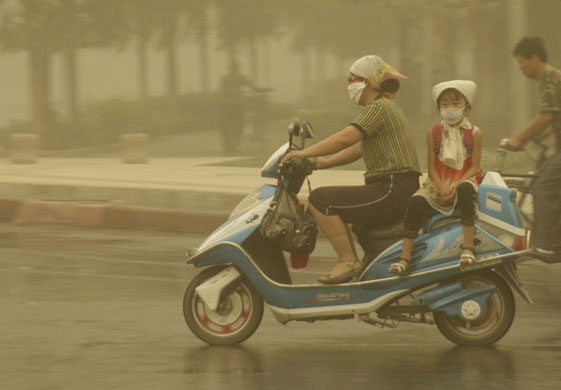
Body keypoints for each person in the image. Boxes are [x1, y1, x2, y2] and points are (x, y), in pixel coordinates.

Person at [281, 55, 421, 284]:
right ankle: (369, 266)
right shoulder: (385, 108)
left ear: (367, 81)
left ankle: (348, 262)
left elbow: (346, 138)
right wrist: (323, 162)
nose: (349, 84)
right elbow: (359, 148)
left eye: (352, 78)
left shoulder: (378, 107)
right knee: (345, 211)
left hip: (393, 188)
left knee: (320, 200)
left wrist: (304, 153)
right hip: (394, 187)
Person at [388, 80, 482, 275]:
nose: (450, 109)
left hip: (463, 178)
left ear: (467, 106)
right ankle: (404, 258)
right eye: (444, 104)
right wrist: (440, 186)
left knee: (465, 190)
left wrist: (456, 183)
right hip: (438, 180)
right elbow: (432, 166)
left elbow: (474, 167)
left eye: (456, 104)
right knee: (416, 201)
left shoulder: (474, 133)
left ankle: (467, 247)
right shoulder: (434, 132)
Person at [502, 37, 561, 261]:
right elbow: (554, 116)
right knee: (539, 180)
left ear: (534, 58)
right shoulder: (552, 78)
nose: (520, 68)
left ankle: (547, 245)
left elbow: (546, 116)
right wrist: (543, 134)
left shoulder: (550, 77)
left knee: (544, 185)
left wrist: (518, 140)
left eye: (521, 62)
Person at [220, 59, 267, 155]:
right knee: (238, 126)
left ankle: (229, 147)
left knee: (228, 126)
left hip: (227, 105)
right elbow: (252, 86)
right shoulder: (240, 77)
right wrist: (263, 90)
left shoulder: (225, 78)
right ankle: (235, 145)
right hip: (236, 105)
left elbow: (221, 92)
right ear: (237, 67)